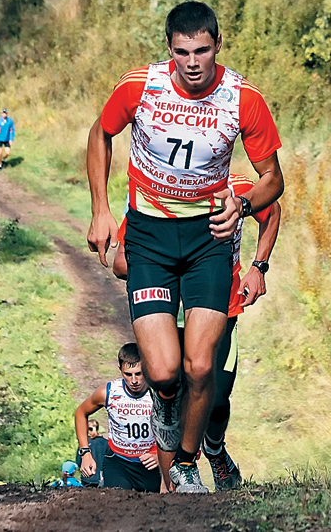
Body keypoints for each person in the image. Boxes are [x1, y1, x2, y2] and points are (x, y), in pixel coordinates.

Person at [86, 0, 284, 493]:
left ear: (218, 45)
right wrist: (101, 209)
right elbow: (101, 133)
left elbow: (273, 180)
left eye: (202, 51)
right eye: (182, 52)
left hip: (208, 238)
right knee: (164, 372)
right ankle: (166, 402)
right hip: (150, 235)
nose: (193, 63)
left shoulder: (243, 99)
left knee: (201, 365)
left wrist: (242, 204)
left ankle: (187, 461)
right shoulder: (141, 86)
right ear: (169, 49)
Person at [113, 173, 282, 491]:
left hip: (221, 308)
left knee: (215, 400)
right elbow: (120, 262)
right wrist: (158, 263)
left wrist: (258, 267)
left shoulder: (236, 188)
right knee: (169, 399)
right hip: (167, 312)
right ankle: (178, 495)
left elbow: (272, 209)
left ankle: (215, 450)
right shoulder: (158, 197)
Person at [74, 343, 161, 492]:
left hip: (150, 464)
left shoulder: (158, 391)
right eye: (128, 374)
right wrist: (85, 453)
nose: (134, 380)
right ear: (120, 369)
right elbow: (81, 413)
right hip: (118, 463)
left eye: (139, 373)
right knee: (117, 502)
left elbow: (179, 425)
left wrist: (161, 456)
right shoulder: (109, 392)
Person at [75, 419, 109, 487]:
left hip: (87, 478)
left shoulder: (84, 445)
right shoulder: (106, 443)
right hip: (102, 479)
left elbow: (78, 461)